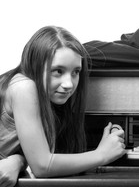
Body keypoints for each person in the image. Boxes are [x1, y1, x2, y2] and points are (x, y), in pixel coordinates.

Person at [0, 26, 126, 180]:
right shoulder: (23, 87)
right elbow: (42, 166)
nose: (69, 84)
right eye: (58, 71)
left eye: (75, 72)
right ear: (35, 65)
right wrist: (101, 155)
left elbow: (34, 156)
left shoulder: (47, 98)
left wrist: (18, 160)